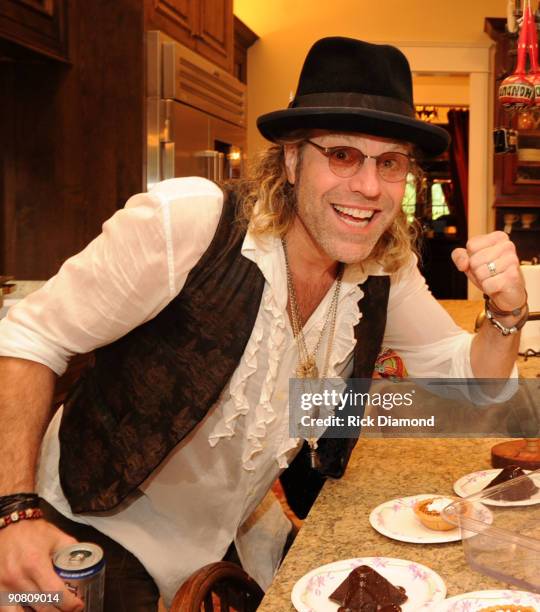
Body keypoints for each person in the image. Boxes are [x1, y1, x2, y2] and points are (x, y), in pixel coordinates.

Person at [0, 36, 527, 611]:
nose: (370, 188)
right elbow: (28, 338)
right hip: (83, 531)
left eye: (391, 161)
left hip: (225, 546)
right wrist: (12, 512)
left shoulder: (382, 269)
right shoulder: (191, 223)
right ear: (293, 158)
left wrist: (505, 313)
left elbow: (471, 388)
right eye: (343, 155)